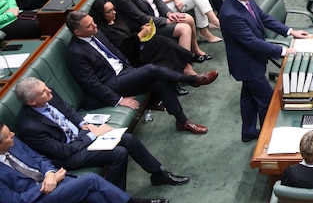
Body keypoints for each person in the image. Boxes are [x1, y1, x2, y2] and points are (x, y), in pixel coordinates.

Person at [0, 124, 161, 203]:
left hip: (54, 181)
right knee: (91, 180)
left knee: (95, 194)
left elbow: (39, 158)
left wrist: (50, 173)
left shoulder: (14, 143)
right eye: (8, 136)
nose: (13, 135)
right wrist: (47, 183)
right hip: (36, 202)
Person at [14, 77, 188, 191]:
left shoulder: (47, 93)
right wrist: (92, 134)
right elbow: (63, 152)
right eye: (44, 92)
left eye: (46, 87)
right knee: (119, 153)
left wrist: (84, 124)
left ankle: (157, 174)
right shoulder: (29, 126)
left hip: (83, 135)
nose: (49, 91)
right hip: (69, 156)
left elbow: (67, 108)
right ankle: (118, 199)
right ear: (31, 102)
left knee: (128, 139)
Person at [65, 10, 214, 135]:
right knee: (150, 69)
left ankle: (182, 122)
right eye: (89, 25)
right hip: (110, 83)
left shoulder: (96, 33)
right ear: (78, 32)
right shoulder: (75, 53)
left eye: (93, 22)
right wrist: (118, 100)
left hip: (124, 73)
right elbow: (92, 84)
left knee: (159, 82)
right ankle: (191, 79)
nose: (95, 25)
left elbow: (116, 53)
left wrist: (131, 70)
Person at [220, 0, 309, 142]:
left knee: (248, 96)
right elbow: (252, 42)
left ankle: (248, 132)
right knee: (268, 102)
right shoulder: (230, 14)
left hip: (253, 60)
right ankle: (266, 138)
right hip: (247, 64)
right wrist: (283, 51)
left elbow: (264, 18)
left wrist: (290, 31)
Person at [113, 0, 212, 63]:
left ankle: (195, 49)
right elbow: (141, 17)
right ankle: (185, 64)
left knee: (189, 19)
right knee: (184, 28)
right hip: (150, 26)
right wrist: (165, 21)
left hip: (161, 16)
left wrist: (169, 14)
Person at [90, 0, 203, 77]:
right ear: (101, 14)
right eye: (109, 11)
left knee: (162, 43)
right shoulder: (105, 30)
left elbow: (129, 30)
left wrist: (140, 28)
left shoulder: (116, 19)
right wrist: (139, 36)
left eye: (113, 9)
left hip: (139, 46)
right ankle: (189, 58)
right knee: (161, 41)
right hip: (133, 56)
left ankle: (187, 65)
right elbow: (124, 47)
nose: (113, 12)